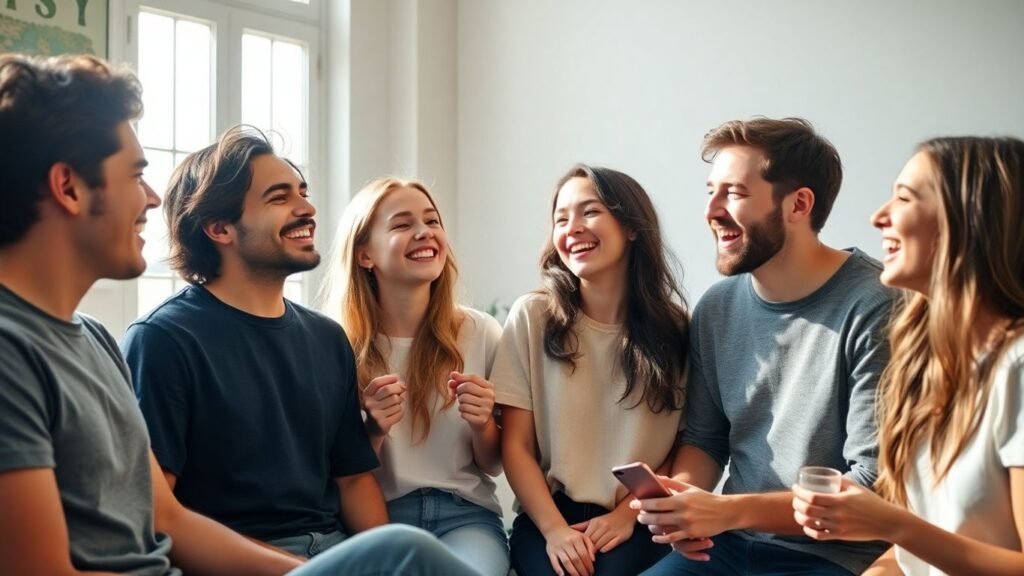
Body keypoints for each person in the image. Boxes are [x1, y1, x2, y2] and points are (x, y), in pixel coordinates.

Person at [0, 51, 483, 576]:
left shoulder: (92, 339)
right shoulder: (66, 346)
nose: (151, 197)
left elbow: (164, 517)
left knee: (402, 554)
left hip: (310, 551)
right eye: (136, 174)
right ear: (68, 187)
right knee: (406, 554)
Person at [636, 117, 894, 575]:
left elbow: (871, 484)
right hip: (728, 548)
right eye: (710, 191)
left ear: (798, 205)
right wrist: (681, 502)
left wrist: (730, 511)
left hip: (830, 557)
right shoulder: (717, 308)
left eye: (733, 193)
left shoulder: (876, 306)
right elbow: (705, 439)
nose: (711, 210)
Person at [121, 126, 388, 558]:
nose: (308, 208)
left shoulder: (327, 338)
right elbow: (156, 515)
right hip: (241, 560)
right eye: (280, 198)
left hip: (333, 550)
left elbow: (353, 481)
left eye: (303, 192)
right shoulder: (163, 341)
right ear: (219, 228)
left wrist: (385, 561)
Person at [792, 136, 1024, 575]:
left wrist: (892, 524)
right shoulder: (925, 363)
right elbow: (914, 561)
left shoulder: (1017, 368)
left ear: (969, 222)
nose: (878, 217)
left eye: (903, 198)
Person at [492, 164, 690, 576]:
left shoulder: (677, 330)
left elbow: (682, 447)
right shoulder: (533, 316)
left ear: (632, 226)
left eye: (590, 212)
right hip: (548, 517)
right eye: (561, 219)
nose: (573, 228)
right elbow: (516, 448)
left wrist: (626, 515)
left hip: (637, 518)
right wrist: (555, 531)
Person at [321, 177, 509, 575]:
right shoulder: (337, 345)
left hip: (467, 516)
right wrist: (372, 429)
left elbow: (491, 463)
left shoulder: (480, 332)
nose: (425, 232)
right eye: (403, 224)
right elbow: (338, 476)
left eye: (432, 221)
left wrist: (482, 424)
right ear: (365, 255)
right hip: (380, 518)